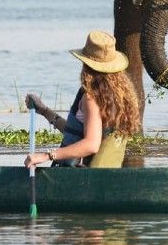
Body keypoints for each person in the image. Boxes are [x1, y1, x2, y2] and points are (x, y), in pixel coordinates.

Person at [24, 30, 141, 169]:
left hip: (84, 177)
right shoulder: (120, 96)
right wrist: (44, 111)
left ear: (86, 64)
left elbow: (91, 144)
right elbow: (78, 132)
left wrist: (46, 155)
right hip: (109, 174)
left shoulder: (91, 98)